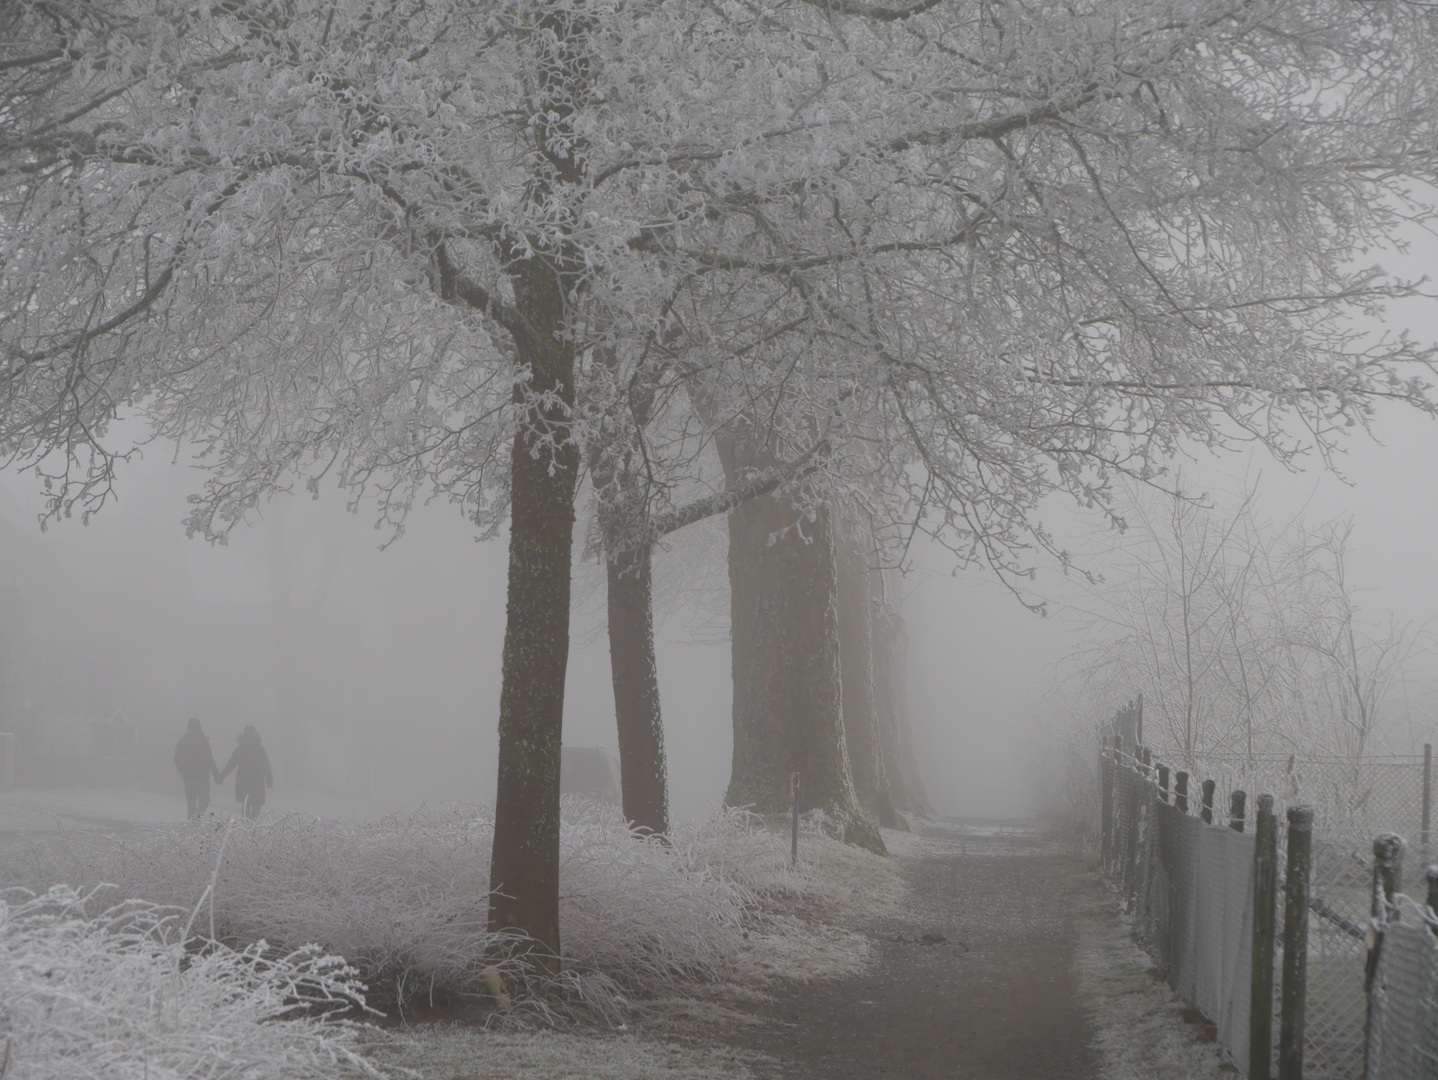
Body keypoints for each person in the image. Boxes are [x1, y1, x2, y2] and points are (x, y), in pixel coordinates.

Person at [218, 724, 274, 820]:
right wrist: (269, 780)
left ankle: (246, 823)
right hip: (257, 780)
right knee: (257, 803)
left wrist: (221, 776)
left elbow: (231, 765)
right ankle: (253, 822)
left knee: (246, 804)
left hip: (243, 780)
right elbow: (266, 766)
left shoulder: (239, 749)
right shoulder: (260, 750)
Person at [173, 718, 220, 820]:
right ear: (199, 728)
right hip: (202, 777)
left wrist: (184, 772)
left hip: (188, 779)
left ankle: (190, 828)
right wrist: (216, 774)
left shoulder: (182, 741)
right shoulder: (203, 741)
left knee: (190, 805)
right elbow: (209, 760)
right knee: (204, 801)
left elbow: (176, 760)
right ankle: (196, 819)